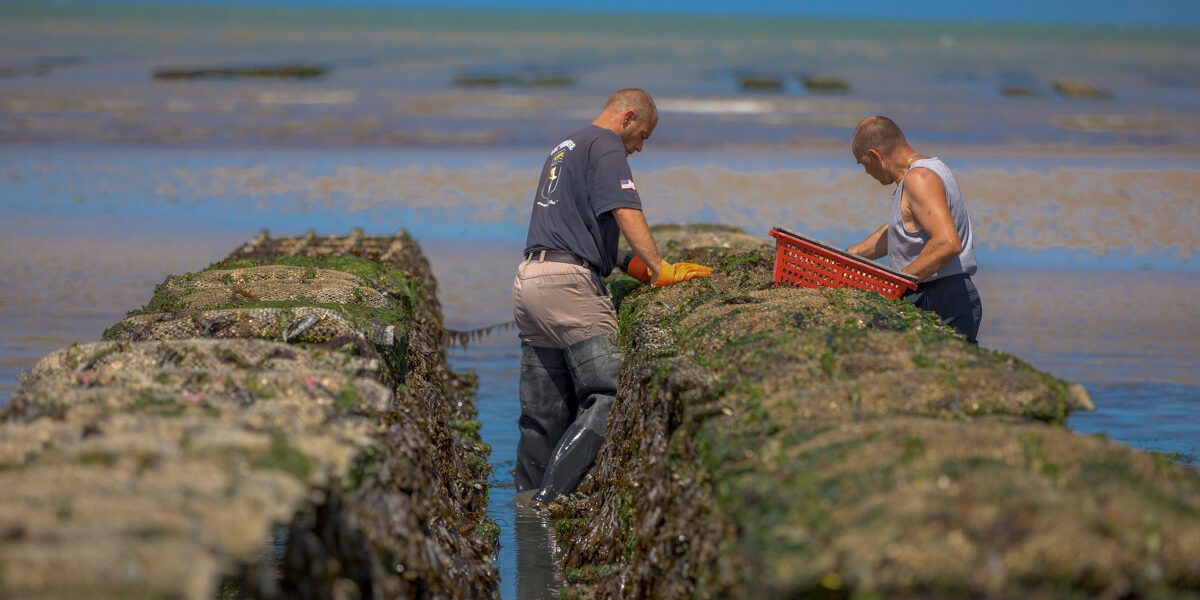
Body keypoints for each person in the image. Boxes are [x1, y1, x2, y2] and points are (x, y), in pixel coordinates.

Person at [512, 89, 712, 505]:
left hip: (530, 281)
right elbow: (625, 209)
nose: (638, 148)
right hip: (568, 287)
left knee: (542, 417)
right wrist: (659, 268)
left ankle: (523, 505)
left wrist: (625, 263)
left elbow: (573, 226)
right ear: (628, 117)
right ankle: (548, 501)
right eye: (642, 136)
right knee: (610, 393)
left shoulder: (565, 147)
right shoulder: (606, 145)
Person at [846, 115, 982, 342]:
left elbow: (948, 243)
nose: (867, 173)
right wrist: (848, 257)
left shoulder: (919, 179)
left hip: (943, 296)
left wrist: (896, 284)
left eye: (863, 164)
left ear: (874, 156)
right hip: (937, 292)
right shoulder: (923, 172)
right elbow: (898, 233)